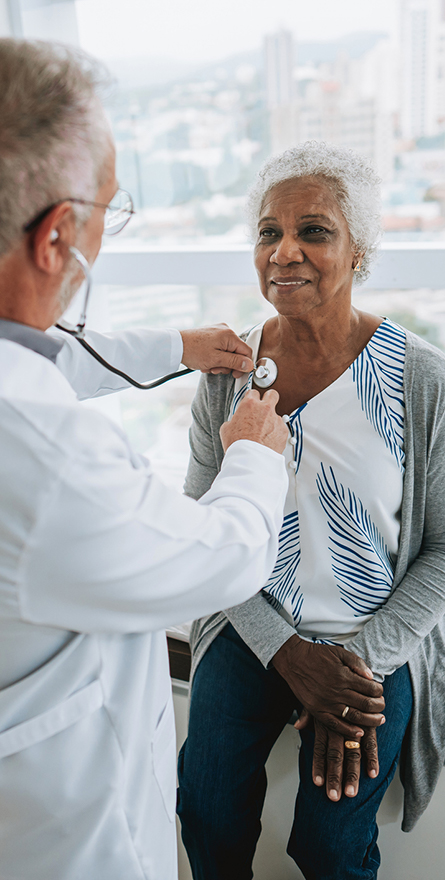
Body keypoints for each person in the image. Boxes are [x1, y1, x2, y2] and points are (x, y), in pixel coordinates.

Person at [0, 39, 291, 880]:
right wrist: (252, 458)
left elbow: (43, 350)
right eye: (107, 211)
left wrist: (173, 343)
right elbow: (222, 557)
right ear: (58, 236)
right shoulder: (46, 459)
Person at [177, 141, 445, 879]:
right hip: (250, 622)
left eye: (313, 231)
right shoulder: (230, 371)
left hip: (373, 644)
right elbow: (205, 528)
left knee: (329, 848)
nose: (283, 251)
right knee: (205, 808)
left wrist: (352, 664)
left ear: (359, 249)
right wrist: (288, 654)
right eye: (268, 231)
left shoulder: (420, 381)